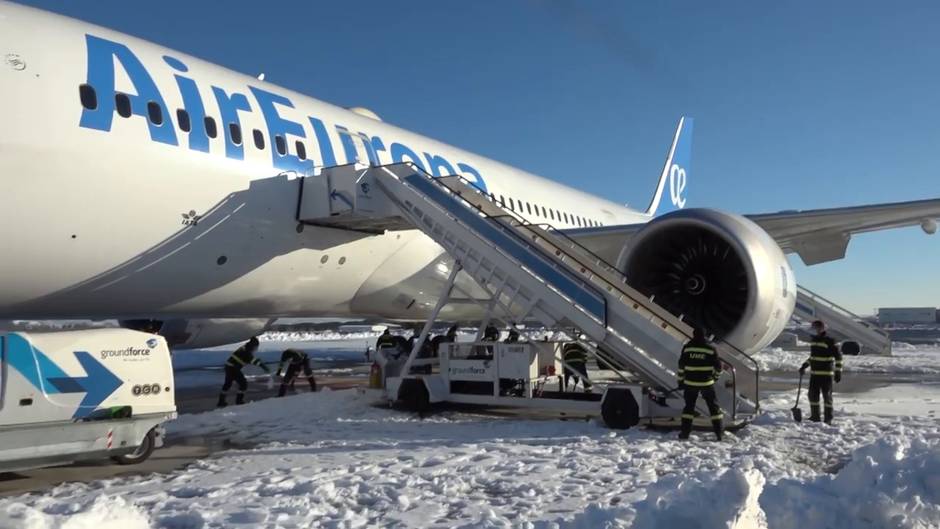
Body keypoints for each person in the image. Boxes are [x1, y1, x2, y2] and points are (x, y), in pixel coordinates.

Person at [677, 328, 723, 441]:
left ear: (693, 335)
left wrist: (681, 381)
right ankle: (719, 433)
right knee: (714, 408)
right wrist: (715, 378)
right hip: (706, 383)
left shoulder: (687, 348)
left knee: (689, 408)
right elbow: (719, 367)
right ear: (705, 335)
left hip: (690, 383)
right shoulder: (711, 349)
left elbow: (681, 366)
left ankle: (685, 433)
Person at [800, 320, 842, 424]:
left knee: (827, 397)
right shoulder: (814, 341)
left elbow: (838, 357)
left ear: (822, 328)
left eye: (816, 328)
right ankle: (815, 417)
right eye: (813, 328)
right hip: (814, 375)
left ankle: (828, 419)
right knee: (813, 396)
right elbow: (813, 357)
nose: (815, 330)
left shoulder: (829, 341)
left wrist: (838, 372)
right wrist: (805, 365)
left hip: (826, 375)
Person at [218, 337, 270, 407]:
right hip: (233, 368)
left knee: (227, 384)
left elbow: (249, 358)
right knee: (243, 384)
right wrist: (263, 366)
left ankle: (221, 401)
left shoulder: (245, 347)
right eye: (256, 346)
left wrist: (257, 361)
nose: (256, 348)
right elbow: (252, 360)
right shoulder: (247, 351)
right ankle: (239, 401)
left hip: (228, 366)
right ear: (253, 345)